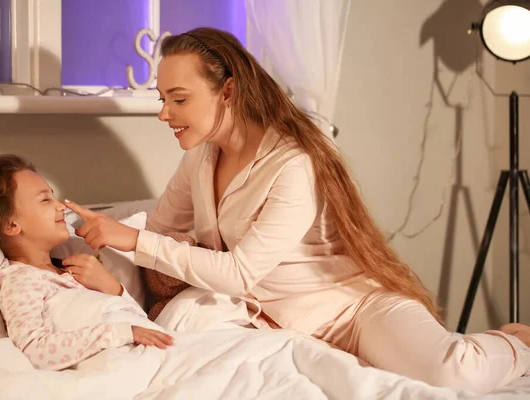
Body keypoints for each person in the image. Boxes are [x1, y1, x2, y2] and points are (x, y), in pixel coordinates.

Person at [63, 27, 530, 392]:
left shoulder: (293, 163)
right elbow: (160, 239)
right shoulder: (199, 160)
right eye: (162, 99)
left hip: (355, 310)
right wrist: (95, 259)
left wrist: (132, 238)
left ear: (227, 92)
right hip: (283, 325)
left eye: (179, 99)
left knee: (452, 374)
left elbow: (239, 273)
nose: (164, 113)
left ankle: (516, 340)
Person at [0, 155, 173, 371]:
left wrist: (113, 288)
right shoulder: (20, 279)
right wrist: (117, 333)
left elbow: (137, 322)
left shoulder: (70, 270)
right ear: (11, 225)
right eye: (45, 200)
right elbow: (34, 349)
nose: (61, 206)